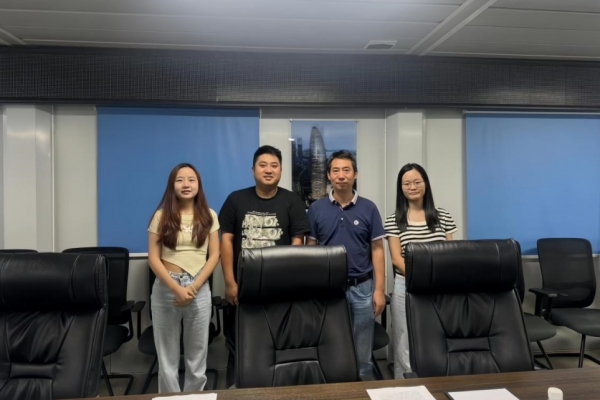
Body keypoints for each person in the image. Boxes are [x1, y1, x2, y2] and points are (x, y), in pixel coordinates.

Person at [219, 145, 310, 388]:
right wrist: (229, 282)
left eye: (274, 165)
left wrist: (291, 282)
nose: (268, 170)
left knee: (278, 344)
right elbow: (226, 242)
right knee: (240, 345)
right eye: (263, 165)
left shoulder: (292, 201)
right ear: (253, 170)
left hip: (280, 290)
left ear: (280, 170)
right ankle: (237, 391)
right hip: (243, 289)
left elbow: (298, 243)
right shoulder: (236, 199)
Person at [307, 150, 386, 381]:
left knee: (363, 354)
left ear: (355, 174)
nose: (341, 175)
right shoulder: (316, 209)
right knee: (330, 345)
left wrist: (379, 290)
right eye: (335, 170)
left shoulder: (369, 208)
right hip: (328, 289)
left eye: (346, 170)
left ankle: (362, 388)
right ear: (328, 176)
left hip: (362, 288)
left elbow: (377, 250)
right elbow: (310, 250)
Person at [147, 163, 220, 393]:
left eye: (191, 179)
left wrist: (194, 287)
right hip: (166, 288)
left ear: (198, 185)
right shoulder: (161, 216)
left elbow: (214, 255)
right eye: (180, 180)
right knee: (167, 361)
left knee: (197, 357)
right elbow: (153, 259)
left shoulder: (209, 215)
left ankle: (194, 397)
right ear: (172, 185)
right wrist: (176, 289)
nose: (186, 184)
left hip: (199, 288)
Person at [384, 163, 457, 379]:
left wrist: (436, 278)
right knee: (404, 339)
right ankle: (404, 385)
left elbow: (451, 252)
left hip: (440, 285)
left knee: (438, 334)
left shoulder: (442, 216)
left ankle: (438, 382)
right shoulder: (393, 219)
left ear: (425, 184)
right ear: (401, 188)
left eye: (417, 182)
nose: (412, 187)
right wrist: (421, 277)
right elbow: (396, 258)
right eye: (407, 183)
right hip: (406, 285)